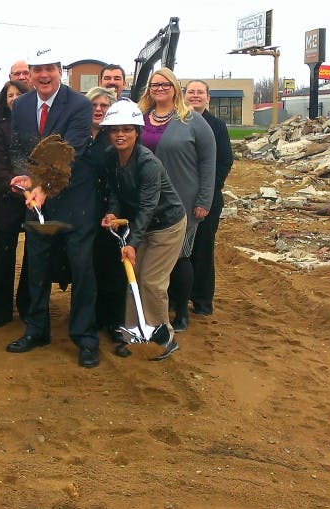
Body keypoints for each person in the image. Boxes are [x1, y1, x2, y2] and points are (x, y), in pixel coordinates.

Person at [7, 47, 100, 368]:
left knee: (82, 269)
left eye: (50, 68)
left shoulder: (79, 105)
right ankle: (37, 329)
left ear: (60, 71)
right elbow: (18, 148)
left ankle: (85, 337)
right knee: (37, 266)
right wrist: (24, 177)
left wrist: (42, 187)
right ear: (30, 74)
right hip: (37, 202)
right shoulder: (21, 105)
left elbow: (69, 152)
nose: (43, 75)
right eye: (37, 69)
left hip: (75, 201)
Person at [99, 99, 185, 360]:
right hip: (142, 224)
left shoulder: (148, 163)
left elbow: (149, 206)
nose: (120, 135)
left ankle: (164, 338)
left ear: (137, 132)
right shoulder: (110, 157)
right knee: (133, 278)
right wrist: (113, 213)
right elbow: (114, 190)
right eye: (115, 130)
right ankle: (134, 335)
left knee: (151, 281)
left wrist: (132, 244)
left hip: (166, 225)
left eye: (127, 129)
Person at [137, 68, 216, 333]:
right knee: (148, 255)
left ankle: (181, 311)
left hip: (182, 199)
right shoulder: (140, 117)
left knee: (180, 256)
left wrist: (204, 200)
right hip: (145, 200)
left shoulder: (192, 120)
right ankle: (149, 308)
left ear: (175, 89)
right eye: (155, 85)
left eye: (165, 85)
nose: (159, 89)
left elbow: (208, 162)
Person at [184, 80, 234, 316]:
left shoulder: (217, 126)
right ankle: (177, 298)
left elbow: (224, 161)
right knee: (178, 253)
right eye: (191, 92)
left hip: (207, 200)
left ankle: (202, 301)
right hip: (180, 197)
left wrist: (207, 191)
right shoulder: (177, 122)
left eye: (200, 92)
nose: (195, 96)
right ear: (184, 96)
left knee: (202, 251)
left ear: (208, 98)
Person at [85, 86, 127, 340]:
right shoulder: (77, 134)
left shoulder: (114, 138)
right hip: (81, 212)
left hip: (108, 212)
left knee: (111, 267)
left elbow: (115, 182)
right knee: (86, 267)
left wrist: (112, 211)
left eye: (104, 106)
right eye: (94, 105)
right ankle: (91, 318)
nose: (98, 109)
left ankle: (114, 321)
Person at [0, 79, 29, 327]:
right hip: (9, 196)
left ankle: (27, 305)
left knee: (33, 254)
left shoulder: (38, 123)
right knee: (4, 253)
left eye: (18, 94)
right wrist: (12, 185)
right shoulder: (0, 127)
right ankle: (0, 308)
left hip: (35, 198)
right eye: (9, 95)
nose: (14, 99)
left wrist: (33, 186)